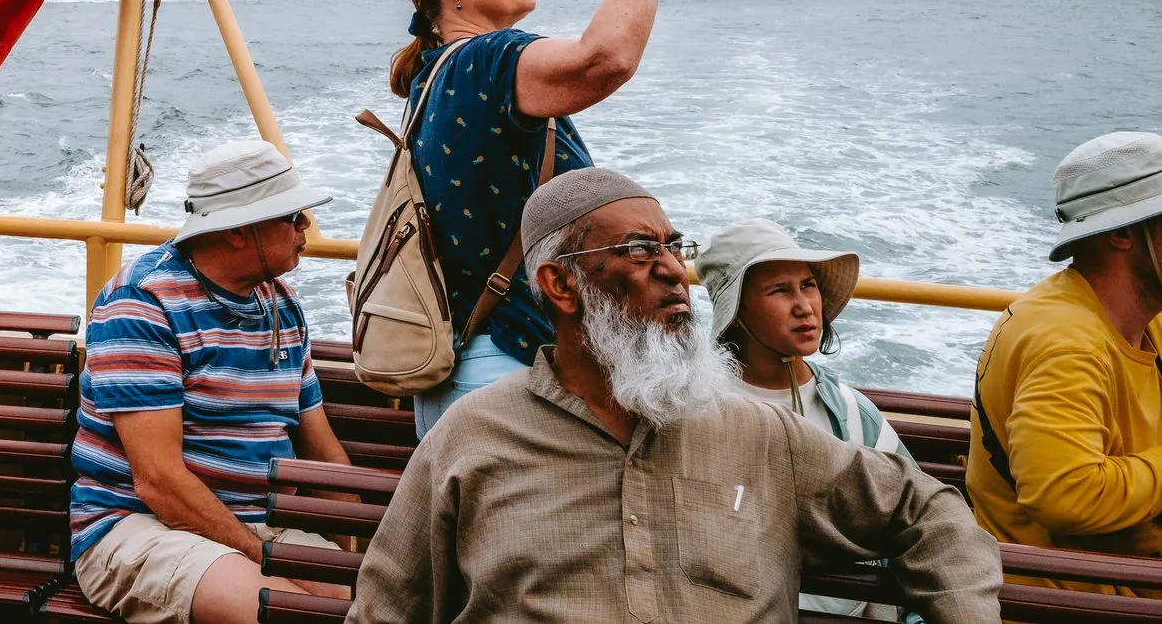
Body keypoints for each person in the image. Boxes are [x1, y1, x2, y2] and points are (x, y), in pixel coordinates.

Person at [348, 169, 1000, 624]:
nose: (672, 271)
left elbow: (930, 514)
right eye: (638, 250)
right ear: (560, 285)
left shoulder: (758, 433)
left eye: (672, 245)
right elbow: (387, 610)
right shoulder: (472, 439)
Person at [388, 0, 693, 435]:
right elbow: (604, 59)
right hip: (514, 379)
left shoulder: (436, 75)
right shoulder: (483, 62)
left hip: (475, 371)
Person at [70, 140, 356, 624]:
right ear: (240, 232)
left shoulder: (281, 305)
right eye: (293, 217)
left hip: (259, 523)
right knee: (289, 614)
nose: (306, 228)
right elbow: (159, 482)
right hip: (136, 525)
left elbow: (323, 453)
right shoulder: (142, 303)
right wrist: (258, 556)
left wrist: (357, 545)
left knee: (381, 607)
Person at [970, 130, 1162, 584]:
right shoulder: (1066, 343)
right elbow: (1067, 495)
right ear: (1121, 233)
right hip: (1076, 598)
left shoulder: (1142, 317)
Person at [699, 218, 911, 619]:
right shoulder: (699, 410)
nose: (805, 306)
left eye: (807, 285)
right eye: (780, 290)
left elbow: (911, 518)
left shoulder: (849, 412)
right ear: (737, 312)